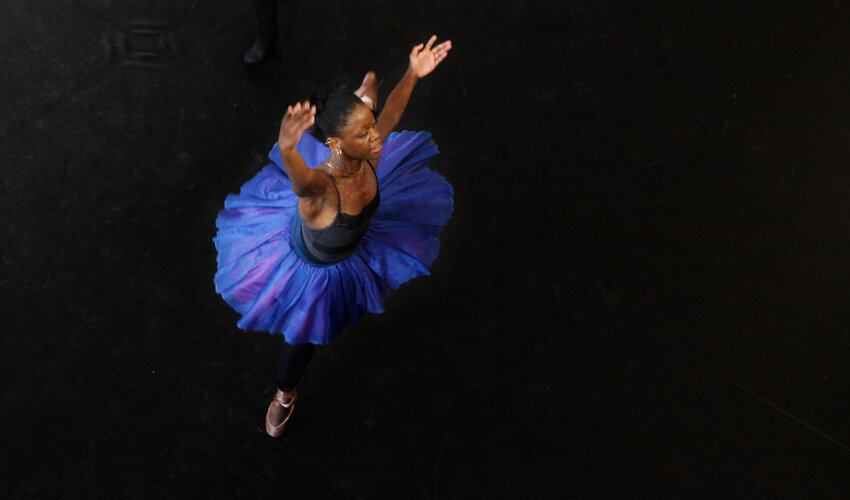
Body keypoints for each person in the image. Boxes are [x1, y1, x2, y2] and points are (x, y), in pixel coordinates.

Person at [214, 36, 453, 437]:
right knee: (303, 335)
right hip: (314, 265)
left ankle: (366, 89)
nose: (377, 138)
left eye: (370, 126)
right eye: (364, 132)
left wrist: (413, 72)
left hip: (352, 239)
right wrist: (289, 150)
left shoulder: (370, 151)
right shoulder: (320, 191)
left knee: (378, 105)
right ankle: (285, 394)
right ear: (335, 143)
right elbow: (302, 181)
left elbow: (392, 112)